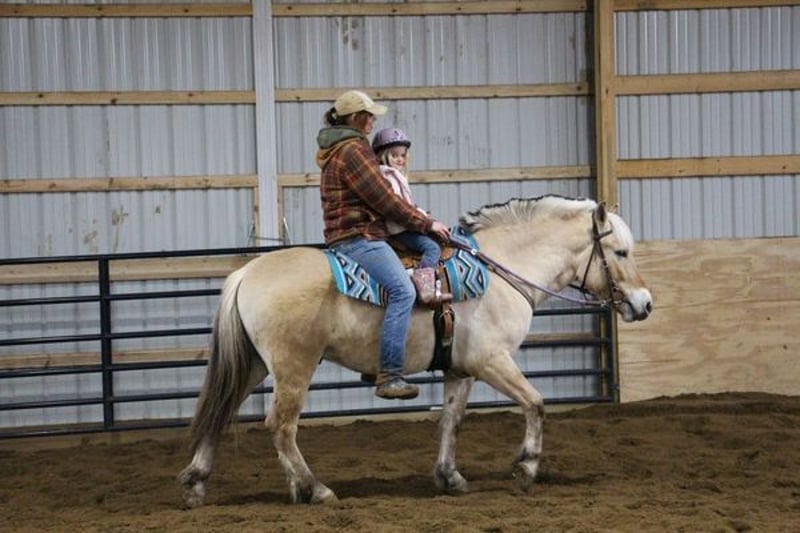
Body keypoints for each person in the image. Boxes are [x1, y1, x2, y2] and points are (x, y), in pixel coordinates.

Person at [316, 89, 451, 400]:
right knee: (403, 291)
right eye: (369, 116)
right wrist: (426, 224)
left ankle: (371, 359)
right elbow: (384, 199)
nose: (373, 121)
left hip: (347, 234)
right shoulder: (353, 150)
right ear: (355, 118)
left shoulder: (336, 150)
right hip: (359, 236)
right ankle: (389, 374)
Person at [372, 127, 452, 304]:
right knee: (432, 248)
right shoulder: (388, 177)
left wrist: (424, 216)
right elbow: (400, 208)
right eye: (394, 155)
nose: (400, 159)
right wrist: (425, 221)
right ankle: (425, 287)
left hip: (404, 225)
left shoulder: (395, 176)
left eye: (402, 155)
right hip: (399, 229)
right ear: (382, 156)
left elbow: (408, 206)